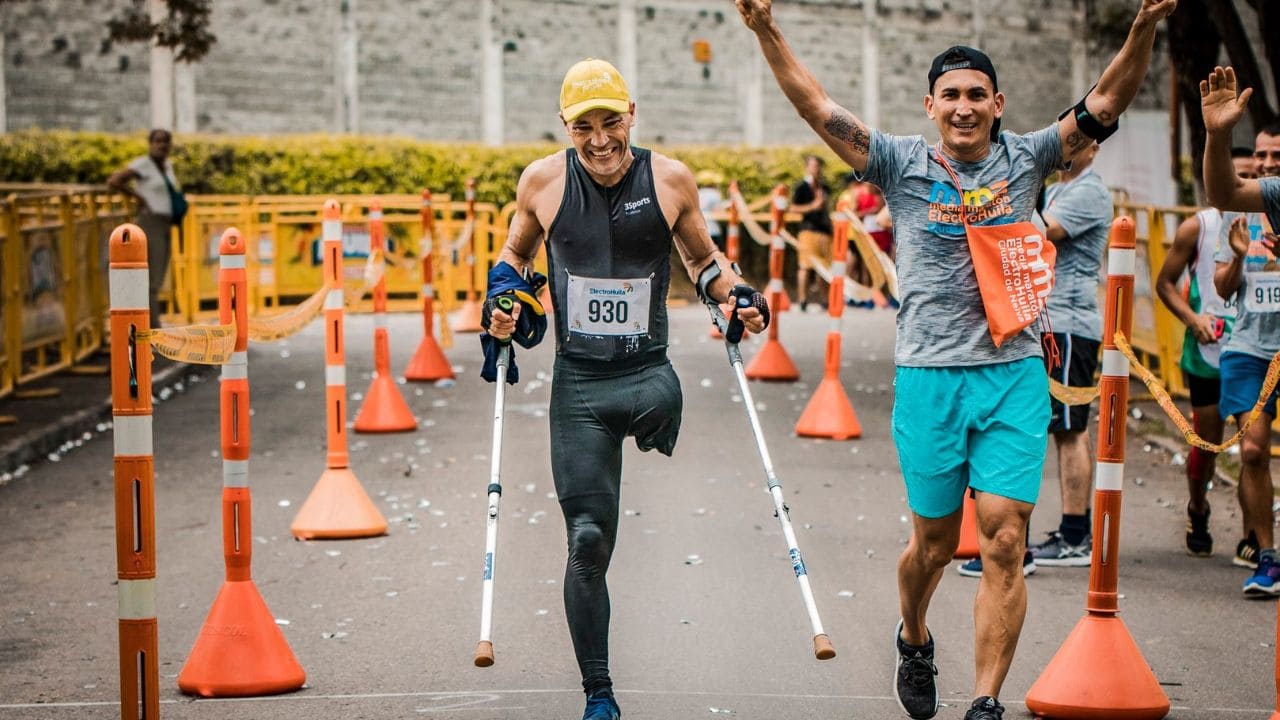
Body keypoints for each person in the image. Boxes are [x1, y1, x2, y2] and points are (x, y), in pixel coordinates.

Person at [736, 0, 1176, 717]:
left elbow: (1104, 101)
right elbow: (818, 107)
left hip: (1011, 375)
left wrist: (1143, 26)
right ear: (931, 106)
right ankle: (914, 635)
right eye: (952, 96)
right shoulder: (899, 163)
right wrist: (767, 30)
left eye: (978, 95)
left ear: (998, 104)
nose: (965, 107)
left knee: (1003, 537)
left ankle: (984, 702)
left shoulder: (1030, 157)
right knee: (935, 546)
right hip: (929, 380)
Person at [482, 57, 767, 720]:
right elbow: (514, 259)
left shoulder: (669, 179)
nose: (601, 138)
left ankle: (651, 429)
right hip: (580, 385)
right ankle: (599, 694)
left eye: (612, 121)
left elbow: (703, 262)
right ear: (566, 125)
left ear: (631, 115)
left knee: (658, 409)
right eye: (586, 126)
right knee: (587, 539)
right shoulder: (542, 182)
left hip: (649, 379)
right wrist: (503, 302)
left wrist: (738, 298)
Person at [957, 142, 1112, 578]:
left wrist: (1008, 188)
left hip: (1067, 324)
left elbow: (1037, 234)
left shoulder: (1089, 193)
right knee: (1033, 425)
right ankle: (1017, 540)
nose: (1069, 148)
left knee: (1068, 428)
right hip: (1039, 321)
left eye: (1079, 141)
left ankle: (1075, 534)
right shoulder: (1059, 188)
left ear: (1094, 148)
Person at [1200, 66, 1280, 595]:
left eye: (1279, 159)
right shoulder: (1263, 202)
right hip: (1250, 346)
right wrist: (1217, 133)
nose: (1269, 167)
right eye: (1265, 157)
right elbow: (1223, 189)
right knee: (1251, 450)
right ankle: (1267, 557)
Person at [1155, 145, 1256, 558]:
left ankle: (1254, 538)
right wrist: (1192, 319)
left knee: (1252, 445)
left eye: (1252, 179)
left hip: (1253, 348)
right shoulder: (1197, 227)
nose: (1244, 186)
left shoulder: (1271, 222)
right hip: (1208, 348)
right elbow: (1165, 283)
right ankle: (1198, 507)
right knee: (1207, 440)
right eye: (1238, 177)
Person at [107, 129, 186, 327]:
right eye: (158, 141)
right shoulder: (144, 164)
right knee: (150, 279)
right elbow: (114, 181)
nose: (162, 145)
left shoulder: (166, 166)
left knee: (158, 276)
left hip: (165, 224)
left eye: (166, 141)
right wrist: (139, 198)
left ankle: (151, 324)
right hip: (150, 224)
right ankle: (151, 327)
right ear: (150, 144)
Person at [792, 154, 833, 310]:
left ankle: (825, 299)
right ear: (807, 167)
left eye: (818, 166)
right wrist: (812, 206)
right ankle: (802, 299)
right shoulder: (801, 187)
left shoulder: (825, 187)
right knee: (805, 266)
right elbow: (793, 208)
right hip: (808, 229)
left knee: (823, 267)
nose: (816, 169)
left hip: (824, 230)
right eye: (813, 166)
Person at [696, 169, 727, 250]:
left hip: (699, 231)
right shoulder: (715, 194)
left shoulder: (697, 193)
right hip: (713, 231)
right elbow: (719, 211)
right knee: (718, 257)